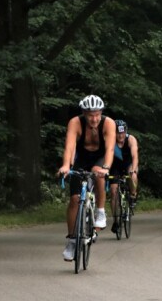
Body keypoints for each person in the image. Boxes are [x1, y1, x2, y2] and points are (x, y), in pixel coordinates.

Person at [58, 94, 116, 261]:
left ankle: (100, 212)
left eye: (97, 114)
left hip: (100, 158)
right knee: (75, 199)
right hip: (81, 159)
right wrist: (66, 166)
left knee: (98, 172)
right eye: (90, 115)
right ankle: (71, 240)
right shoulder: (75, 123)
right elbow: (69, 147)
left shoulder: (108, 123)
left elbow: (110, 149)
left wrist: (106, 167)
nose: (94, 119)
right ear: (84, 113)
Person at [109, 119, 139, 233]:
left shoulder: (131, 139)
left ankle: (132, 195)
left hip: (128, 164)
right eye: (117, 132)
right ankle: (116, 221)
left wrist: (134, 170)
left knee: (133, 175)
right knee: (113, 191)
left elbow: (135, 156)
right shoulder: (110, 140)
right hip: (115, 166)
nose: (120, 135)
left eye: (122, 132)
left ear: (125, 131)